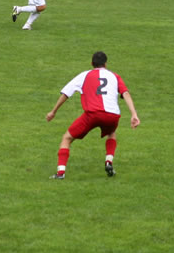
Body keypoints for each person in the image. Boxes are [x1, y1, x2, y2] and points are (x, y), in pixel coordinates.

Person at [46, 51, 140, 179]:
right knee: (111, 133)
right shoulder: (115, 76)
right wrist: (134, 114)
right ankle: (109, 161)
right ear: (106, 64)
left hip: (93, 114)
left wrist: (53, 111)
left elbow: (66, 93)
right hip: (113, 115)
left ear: (92, 63)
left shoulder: (84, 75)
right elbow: (126, 93)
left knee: (67, 138)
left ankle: (60, 173)